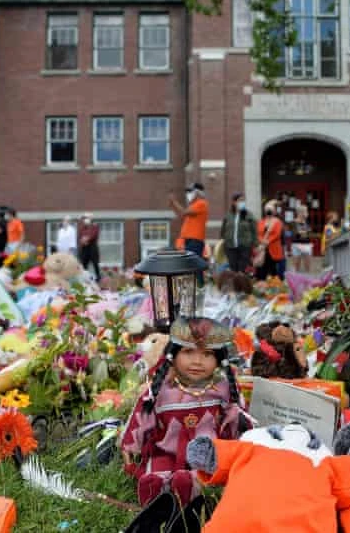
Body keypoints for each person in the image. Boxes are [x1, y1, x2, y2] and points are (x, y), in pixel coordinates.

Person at [120, 316, 246, 506]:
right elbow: (141, 418)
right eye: (188, 352)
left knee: (195, 477)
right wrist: (130, 451)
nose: (197, 361)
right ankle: (157, 494)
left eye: (207, 354)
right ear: (173, 354)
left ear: (219, 359)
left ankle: (187, 488)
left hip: (207, 455)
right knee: (156, 474)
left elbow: (238, 423)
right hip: (166, 452)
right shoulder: (161, 389)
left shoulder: (223, 389)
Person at [170, 183, 209, 283]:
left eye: (191, 191)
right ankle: (197, 284)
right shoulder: (193, 205)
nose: (188, 194)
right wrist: (173, 204)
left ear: (198, 193)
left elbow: (184, 212)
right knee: (191, 265)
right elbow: (181, 214)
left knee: (193, 264)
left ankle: (199, 284)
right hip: (190, 240)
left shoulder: (201, 203)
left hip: (195, 240)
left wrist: (174, 202)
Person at [220, 192, 256, 273]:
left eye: (243, 200)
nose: (242, 202)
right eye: (240, 200)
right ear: (234, 202)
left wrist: (255, 245)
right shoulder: (228, 215)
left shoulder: (249, 215)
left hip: (245, 246)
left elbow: (254, 230)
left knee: (242, 270)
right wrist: (223, 241)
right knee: (233, 269)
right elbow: (223, 230)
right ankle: (235, 280)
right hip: (230, 246)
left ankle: (241, 279)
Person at [256, 201, 283, 281]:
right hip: (263, 249)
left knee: (273, 268)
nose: (269, 211)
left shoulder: (277, 222)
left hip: (273, 248)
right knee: (262, 267)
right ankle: (261, 282)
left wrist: (268, 241)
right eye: (267, 209)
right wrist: (262, 240)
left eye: (270, 209)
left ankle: (274, 284)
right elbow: (258, 233)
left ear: (274, 211)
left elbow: (277, 234)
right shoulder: (261, 222)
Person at [290, 205, 313, 273]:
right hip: (296, 245)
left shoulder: (307, 222)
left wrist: (303, 233)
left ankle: (307, 278)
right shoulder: (293, 222)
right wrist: (303, 233)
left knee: (307, 267)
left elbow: (309, 233)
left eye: (306, 211)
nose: (307, 213)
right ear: (300, 213)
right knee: (296, 266)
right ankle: (296, 278)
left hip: (307, 245)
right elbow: (295, 233)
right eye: (306, 211)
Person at [78, 213, 101, 282]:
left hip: (92, 247)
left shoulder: (95, 225)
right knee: (84, 264)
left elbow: (94, 234)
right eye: (85, 218)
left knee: (95, 263)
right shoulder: (83, 227)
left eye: (87, 218)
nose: (86, 219)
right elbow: (80, 234)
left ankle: (98, 277)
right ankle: (85, 278)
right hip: (85, 248)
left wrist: (86, 239)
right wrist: (82, 240)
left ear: (91, 218)